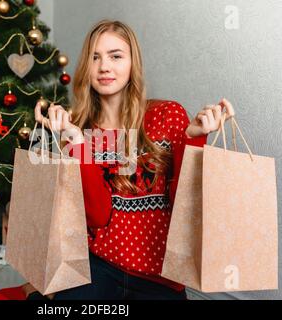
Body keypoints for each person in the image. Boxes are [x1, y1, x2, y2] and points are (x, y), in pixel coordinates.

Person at [26, 19, 235, 300]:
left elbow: (184, 206)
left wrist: (194, 138)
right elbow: (97, 216)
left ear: (132, 63)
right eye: (95, 57)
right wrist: (76, 141)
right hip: (98, 269)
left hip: (160, 279)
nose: (104, 67)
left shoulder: (167, 115)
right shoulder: (76, 129)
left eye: (115, 56)